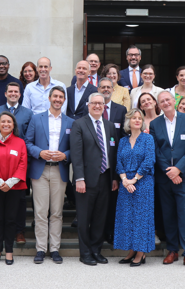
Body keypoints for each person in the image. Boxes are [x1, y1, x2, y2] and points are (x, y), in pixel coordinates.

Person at [150, 91, 185, 270]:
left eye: (167, 100)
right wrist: (169, 171)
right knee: (168, 214)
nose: (165, 103)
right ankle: (172, 250)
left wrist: (178, 169)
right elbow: (156, 150)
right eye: (161, 101)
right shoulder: (155, 124)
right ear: (159, 105)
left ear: (174, 101)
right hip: (164, 178)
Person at [25, 86, 73, 264]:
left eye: (61, 97)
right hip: (40, 169)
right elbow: (27, 142)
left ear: (64, 100)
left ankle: (54, 248)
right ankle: (40, 249)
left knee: (57, 212)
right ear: (49, 98)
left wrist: (66, 155)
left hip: (59, 169)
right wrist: (39, 152)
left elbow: (75, 147)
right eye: (55, 96)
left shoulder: (70, 122)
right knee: (40, 212)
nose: (58, 99)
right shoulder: (36, 119)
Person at [70, 93, 118, 266]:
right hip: (86, 179)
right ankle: (85, 252)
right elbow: (76, 154)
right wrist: (79, 178)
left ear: (104, 106)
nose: (98, 106)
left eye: (101, 103)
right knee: (84, 218)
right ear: (88, 105)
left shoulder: (110, 126)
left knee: (100, 217)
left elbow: (112, 152)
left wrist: (114, 177)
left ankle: (96, 250)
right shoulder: (79, 124)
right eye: (94, 103)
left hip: (106, 178)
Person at [0, 82, 33, 245]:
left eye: (16, 91)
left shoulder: (28, 113)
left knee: (20, 201)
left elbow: (29, 138)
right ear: (5, 93)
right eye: (10, 91)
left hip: (20, 163)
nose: (13, 93)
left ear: (20, 94)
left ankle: (19, 231)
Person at [0, 112, 28, 265]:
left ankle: (9, 251)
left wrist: (9, 183)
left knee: (10, 220)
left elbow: (23, 164)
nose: (6, 124)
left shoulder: (20, 143)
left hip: (14, 188)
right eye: (3, 121)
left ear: (13, 125)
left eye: (9, 122)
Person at [114, 108, 155, 267]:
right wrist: (125, 180)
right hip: (126, 183)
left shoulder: (148, 139)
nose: (137, 120)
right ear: (128, 121)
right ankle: (131, 250)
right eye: (134, 118)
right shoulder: (123, 141)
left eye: (139, 118)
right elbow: (118, 161)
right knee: (127, 217)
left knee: (141, 217)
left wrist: (134, 179)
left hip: (143, 183)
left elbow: (149, 160)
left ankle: (140, 252)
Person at [98, 77, 127, 243]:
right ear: (98, 88)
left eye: (109, 87)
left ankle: (110, 232)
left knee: (112, 200)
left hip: (114, 162)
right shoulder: (93, 108)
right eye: (103, 87)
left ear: (113, 89)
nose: (106, 89)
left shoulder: (120, 110)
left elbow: (123, 136)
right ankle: (98, 233)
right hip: (96, 162)